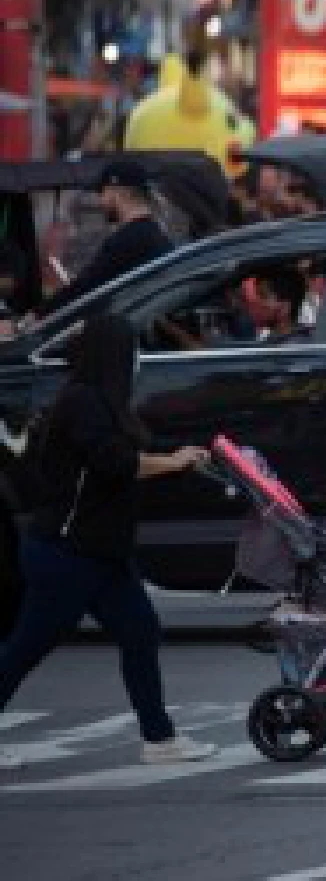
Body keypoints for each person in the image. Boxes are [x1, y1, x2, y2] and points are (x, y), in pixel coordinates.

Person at [0, 316, 216, 769]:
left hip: (100, 552)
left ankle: (159, 739)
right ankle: (159, 736)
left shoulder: (108, 403)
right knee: (26, 647)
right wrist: (170, 462)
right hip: (67, 553)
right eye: (132, 351)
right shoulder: (82, 403)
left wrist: (187, 454)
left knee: (140, 631)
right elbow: (116, 463)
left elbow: (143, 446)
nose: (137, 361)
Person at [36, 162, 173, 320]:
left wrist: (36, 315)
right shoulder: (156, 235)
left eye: (102, 192)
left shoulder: (128, 240)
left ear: (115, 192)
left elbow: (87, 288)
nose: (101, 201)